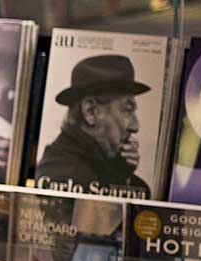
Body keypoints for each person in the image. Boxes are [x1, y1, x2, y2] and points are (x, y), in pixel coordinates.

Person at [36, 53, 155, 197]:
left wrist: (120, 174)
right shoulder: (62, 176)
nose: (135, 126)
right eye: (127, 110)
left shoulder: (71, 166)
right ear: (90, 111)